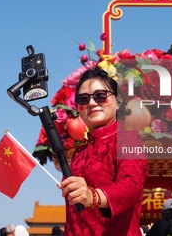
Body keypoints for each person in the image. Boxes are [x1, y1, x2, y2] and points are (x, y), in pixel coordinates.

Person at [57, 67, 148, 236]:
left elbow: (130, 186)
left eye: (100, 96)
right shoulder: (78, 154)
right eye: (83, 99)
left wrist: (93, 197)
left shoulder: (129, 139)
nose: (91, 103)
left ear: (118, 102)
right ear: (78, 107)